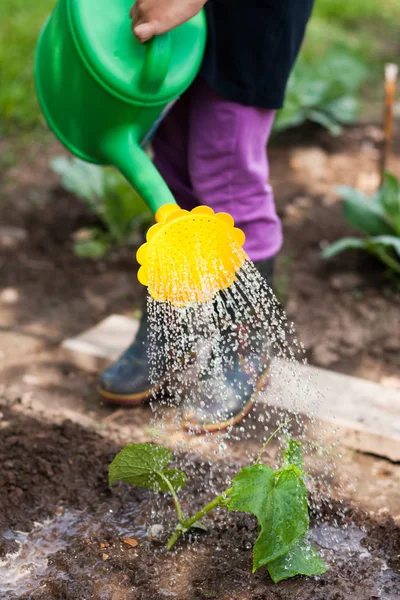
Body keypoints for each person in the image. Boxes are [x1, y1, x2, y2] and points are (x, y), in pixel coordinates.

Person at [98, 0, 314, 431]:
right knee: (173, 167)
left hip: (251, 22)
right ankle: (170, 328)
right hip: (181, 23)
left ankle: (242, 344)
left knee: (226, 172)